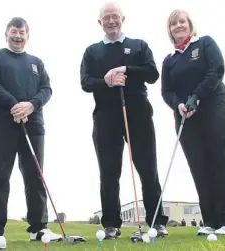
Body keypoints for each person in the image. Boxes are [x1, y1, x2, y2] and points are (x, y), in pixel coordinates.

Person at [80, 2, 169, 240]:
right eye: (106, 18)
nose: (111, 21)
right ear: (100, 22)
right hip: (105, 117)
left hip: (137, 113)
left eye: (115, 17)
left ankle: (157, 222)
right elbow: (85, 82)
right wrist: (106, 81)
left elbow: (152, 73)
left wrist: (126, 69)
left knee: (148, 168)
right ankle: (111, 224)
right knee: (109, 172)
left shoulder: (138, 46)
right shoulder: (92, 51)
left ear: (122, 19)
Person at [161, 9, 225, 236]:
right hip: (186, 118)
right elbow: (166, 91)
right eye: (173, 24)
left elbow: (216, 70)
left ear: (189, 24)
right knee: (199, 167)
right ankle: (212, 220)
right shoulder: (169, 60)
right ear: (169, 30)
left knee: (222, 161)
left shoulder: (205, 44)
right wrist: (178, 104)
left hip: (215, 109)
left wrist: (196, 96)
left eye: (182, 21)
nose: (178, 26)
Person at [0, 17, 62, 250]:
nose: (18, 36)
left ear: (27, 36)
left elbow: (46, 89)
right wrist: (15, 105)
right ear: (6, 34)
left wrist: (31, 105)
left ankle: (38, 228)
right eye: (14, 32)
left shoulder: (36, 62)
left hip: (33, 124)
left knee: (35, 176)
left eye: (22, 33)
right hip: (1, 124)